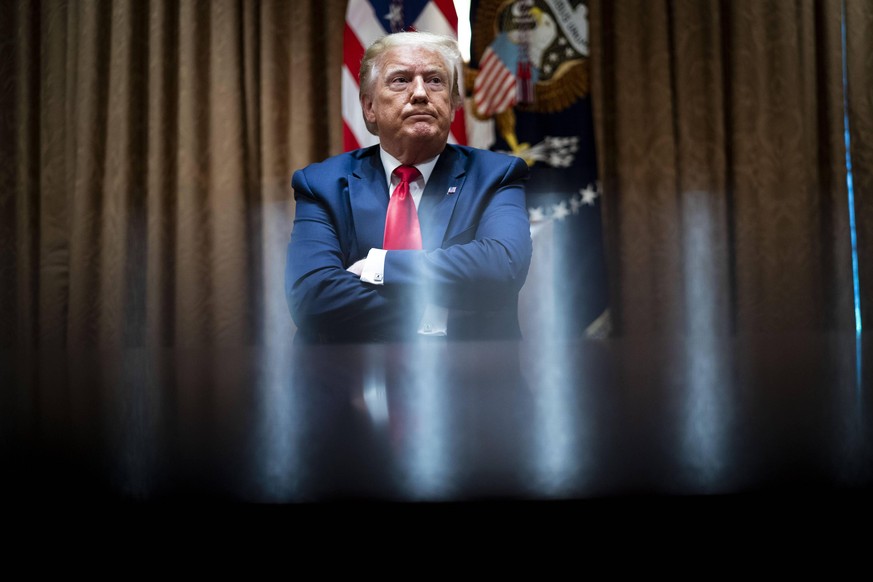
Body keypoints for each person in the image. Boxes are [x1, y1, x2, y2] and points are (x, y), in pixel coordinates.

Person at [285, 31, 532, 343]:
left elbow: (501, 268)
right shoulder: (322, 184)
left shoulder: (496, 175)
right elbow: (312, 298)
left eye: (435, 80)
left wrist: (379, 265)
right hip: (346, 375)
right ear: (369, 107)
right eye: (400, 80)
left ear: (454, 104)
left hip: (473, 374)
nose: (420, 93)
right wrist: (436, 310)